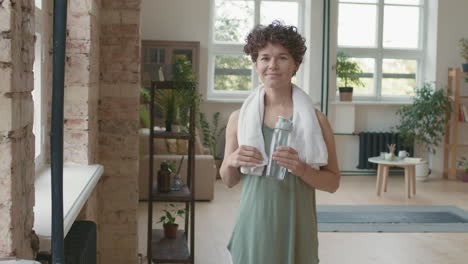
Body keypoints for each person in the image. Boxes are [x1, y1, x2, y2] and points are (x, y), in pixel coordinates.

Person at [220, 21, 340, 264]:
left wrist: (302, 169)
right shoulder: (238, 119)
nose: (272, 65)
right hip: (253, 227)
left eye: (282, 57)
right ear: (256, 64)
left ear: (296, 64)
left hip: (298, 227)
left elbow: (333, 183)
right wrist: (232, 161)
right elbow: (229, 180)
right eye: (264, 58)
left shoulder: (317, 121)